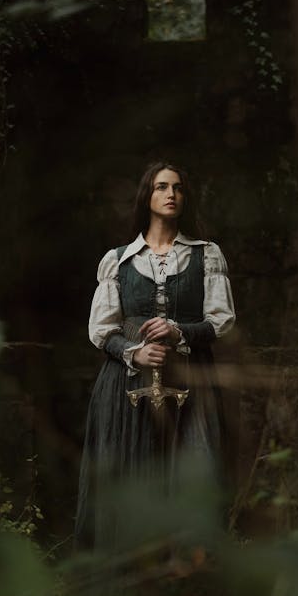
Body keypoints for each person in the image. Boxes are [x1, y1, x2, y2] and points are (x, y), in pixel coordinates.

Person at [74, 162, 235, 551]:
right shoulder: (118, 260)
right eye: (162, 187)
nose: (171, 194)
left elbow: (221, 321)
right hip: (126, 383)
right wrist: (135, 352)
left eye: (178, 188)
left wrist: (179, 330)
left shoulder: (205, 255)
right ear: (147, 195)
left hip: (190, 377)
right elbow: (101, 330)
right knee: (130, 475)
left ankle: (192, 581)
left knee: (196, 472)